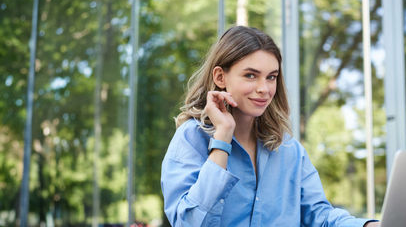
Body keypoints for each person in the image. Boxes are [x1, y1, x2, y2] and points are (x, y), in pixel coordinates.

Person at [161, 26, 380, 227]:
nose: (264, 88)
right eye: (250, 75)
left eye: (271, 77)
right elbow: (186, 223)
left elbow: (320, 216)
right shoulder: (191, 138)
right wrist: (222, 138)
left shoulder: (288, 150)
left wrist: (368, 225)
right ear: (220, 77)